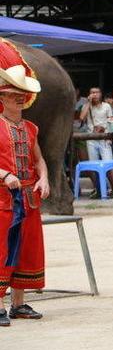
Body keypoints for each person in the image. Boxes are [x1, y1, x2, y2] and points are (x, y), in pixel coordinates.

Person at [0, 59, 49, 326]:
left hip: (29, 198)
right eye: (13, 95)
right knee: (2, 251)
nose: (19, 99)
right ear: (3, 97)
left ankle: (18, 304)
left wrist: (45, 178)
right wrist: (5, 175)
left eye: (22, 95)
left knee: (26, 251)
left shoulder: (31, 129)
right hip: (3, 199)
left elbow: (38, 159)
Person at [79, 87, 113, 198]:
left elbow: (110, 121)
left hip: (104, 138)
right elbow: (81, 117)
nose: (94, 94)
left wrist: (106, 132)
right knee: (94, 166)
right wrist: (88, 102)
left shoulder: (106, 106)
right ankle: (98, 189)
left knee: (108, 163)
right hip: (92, 139)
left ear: (100, 94)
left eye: (96, 92)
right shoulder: (87, 106)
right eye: (92, 93)